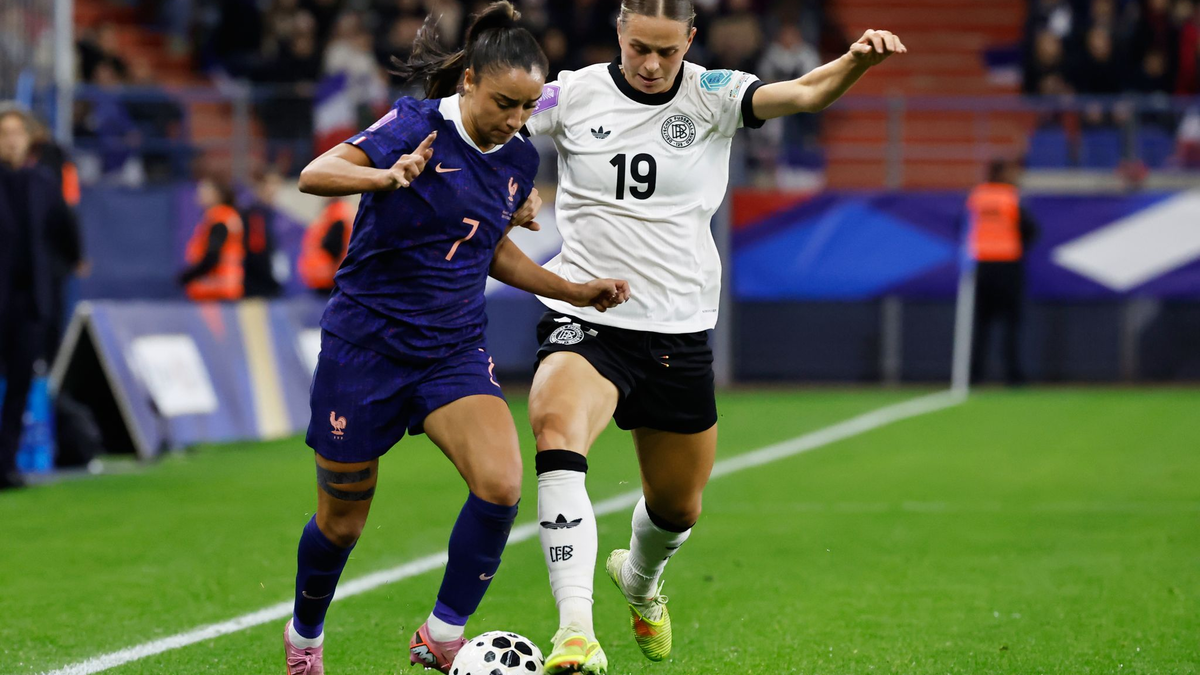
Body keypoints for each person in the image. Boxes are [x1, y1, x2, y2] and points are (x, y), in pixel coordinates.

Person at [520, 2, 906, 672]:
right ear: (619, 32)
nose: (650, 64)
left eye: (667, 52)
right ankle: (574, 630)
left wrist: (855, 62)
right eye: (640, 47)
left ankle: (640, 581)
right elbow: (489, 121)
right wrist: (509, 187)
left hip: (676, 330)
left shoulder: (714, 94)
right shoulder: (573, 92)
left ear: (689, 42)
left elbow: (807, 91)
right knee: (556, 427)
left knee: (676, 506)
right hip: (588, 315)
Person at [282, 4, 630, 674]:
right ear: (468, 81)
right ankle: (305, 638)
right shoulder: (416, 127)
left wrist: (573, 289)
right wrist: (382, 176)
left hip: (450, 348)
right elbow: (316, 173)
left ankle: (441, 635)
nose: (515, 119)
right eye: (504, 102)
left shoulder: (519, 158)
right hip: (366, 347)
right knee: (341, 524)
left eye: (529, 106)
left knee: (501, 484)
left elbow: (492, 252)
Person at [0, 105, 76, 490]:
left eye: (16, 133)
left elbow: (65, 232)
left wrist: (61, 269)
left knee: (18, 386)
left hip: (30, 304)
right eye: (4, 133)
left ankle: (6, 465)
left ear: (29, 139)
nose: (10, 140)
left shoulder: (45, 183)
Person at [967, 159, 1039, 385]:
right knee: (1012, 323)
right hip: (1008, 265)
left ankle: (973, 375)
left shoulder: (976, 198)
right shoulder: (1010, 198)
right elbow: (1030, 229)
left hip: (982, 266)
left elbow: (962, 228)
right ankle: (1014, 375)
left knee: (980, 325)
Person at [178, 177, 245, 302]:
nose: (199, 194)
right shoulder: (227, 216)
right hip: (227, 286)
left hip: (216, 287)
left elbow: (212, 256)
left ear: (217, 195)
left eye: (204, 191)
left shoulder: (219, 220)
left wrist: (187, 277)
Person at [242, 168, 285, 299]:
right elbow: (256, 251)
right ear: (260, 187)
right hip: (258, 289)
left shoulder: (270, 214)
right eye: (270, 184)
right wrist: (271, 281)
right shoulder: (256, 215)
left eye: (277, 184)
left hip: (267, 286)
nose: (274, 189)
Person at [297, 197, 353, 295]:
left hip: (328, 279)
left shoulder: (337, 215)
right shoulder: (336, 212)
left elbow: (333, 246)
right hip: (326, 278)